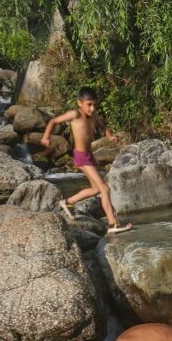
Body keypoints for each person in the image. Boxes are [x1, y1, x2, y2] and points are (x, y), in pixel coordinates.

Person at [40, 87, 130, 234]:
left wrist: (110, 136)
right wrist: (46, 136)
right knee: (104, 188)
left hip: (90, 156)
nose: (92, 108)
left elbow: (103, 126)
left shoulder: (93, 116)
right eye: (89, 104)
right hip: (81, 156)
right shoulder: (75, 114)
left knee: (95, 189)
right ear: (79, 103)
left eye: (94, 104)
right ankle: (112, 224)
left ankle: (66, 202)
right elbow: (54, 121)